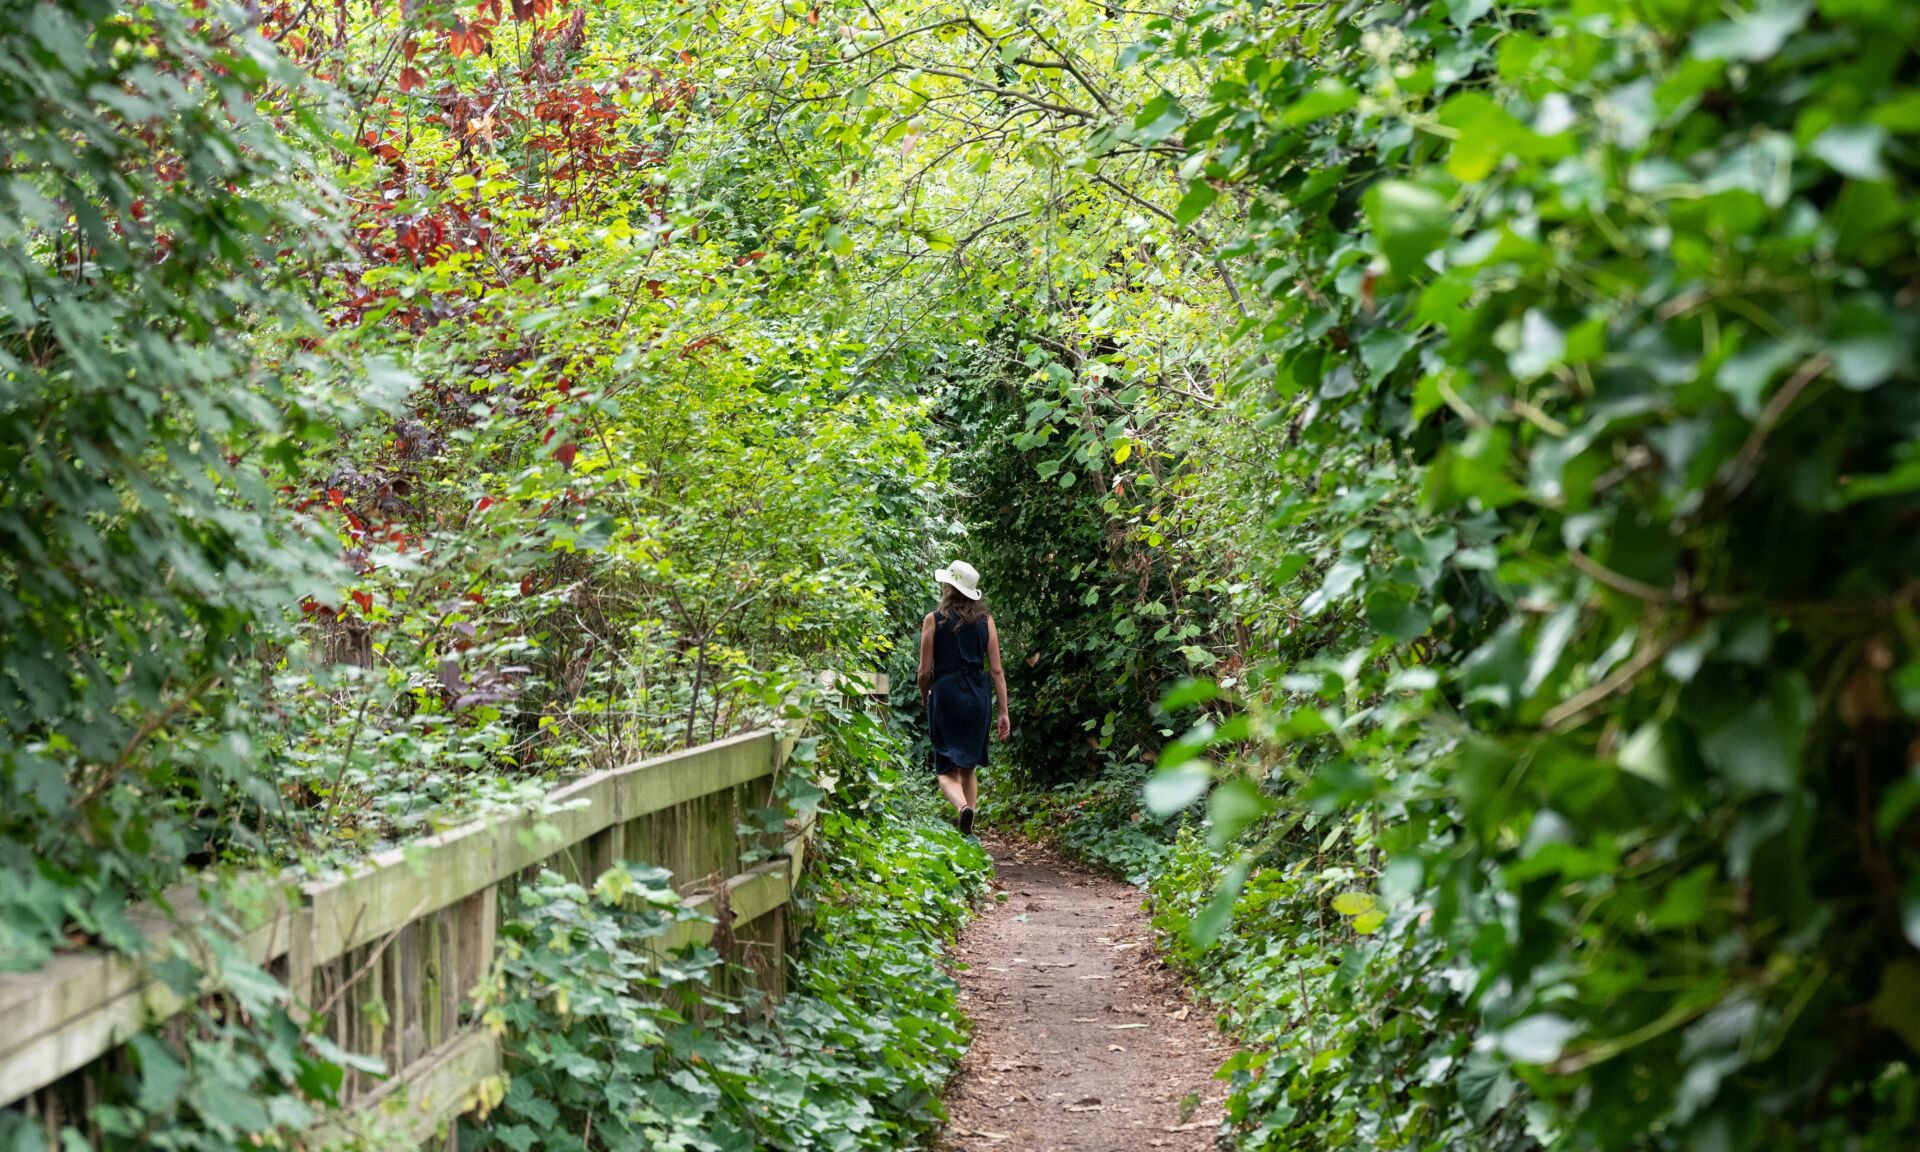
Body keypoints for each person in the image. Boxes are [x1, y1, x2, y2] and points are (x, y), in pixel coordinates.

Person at [916, 560, 1010, 836]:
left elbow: (924, 671)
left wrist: (925, 697)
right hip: (978, 695)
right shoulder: (986, 621)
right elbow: (997, 670)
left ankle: (963, 808)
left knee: (945, 768)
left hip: (946, 694)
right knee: (968, 767)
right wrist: (1003, 711)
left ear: (948, 587)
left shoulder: (933, 619)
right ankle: (969, 831)